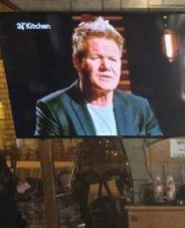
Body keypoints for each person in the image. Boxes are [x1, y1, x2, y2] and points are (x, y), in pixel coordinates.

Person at [34, 17, 162, 138]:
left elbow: (158, 148)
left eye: (112, 59)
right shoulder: (53, 108)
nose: (106, 66)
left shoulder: (139, 107)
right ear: (77, 62)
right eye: (96, 58)